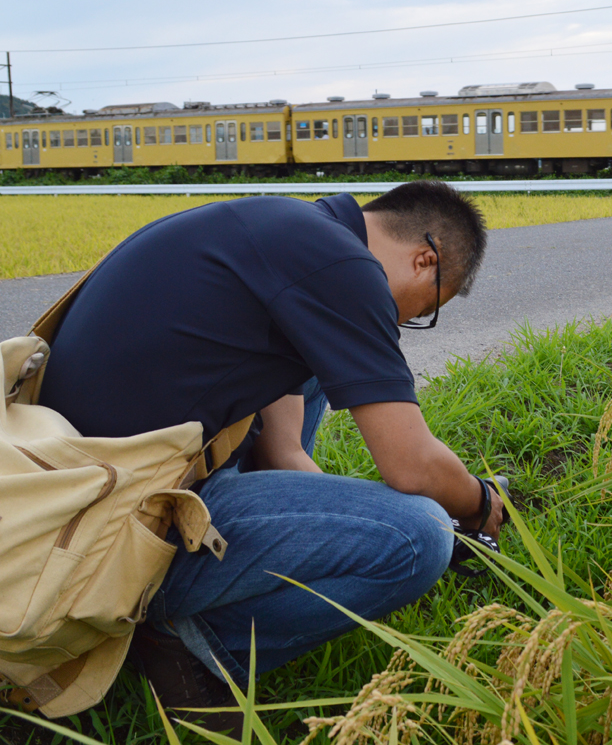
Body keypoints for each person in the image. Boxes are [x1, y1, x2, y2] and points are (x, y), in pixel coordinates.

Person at [37, 179, 502, 725]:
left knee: (321, 362)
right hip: (106, 540)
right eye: (426, 309)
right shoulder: (344, 269)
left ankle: (233, 561)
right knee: (420, 535)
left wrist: (329, 512)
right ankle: (190, 641)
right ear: (426, 260)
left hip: (80, 485)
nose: (404, 322)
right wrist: (478, 505)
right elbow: (412, 464)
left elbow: (284, 439)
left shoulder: (293, 230)